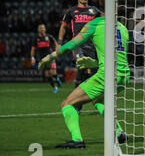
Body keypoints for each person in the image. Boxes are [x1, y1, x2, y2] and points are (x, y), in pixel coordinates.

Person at [38, 16, 130, 148]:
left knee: (67, 104)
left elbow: (71, 45)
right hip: (124, 76)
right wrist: (94, 63)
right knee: (97, 101)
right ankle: (119, 132)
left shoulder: (95, 23)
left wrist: (50, 57)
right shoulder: (122, 27)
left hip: (106, 76)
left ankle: (77, 140)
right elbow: (117, 58)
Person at [57, 0, 103, 111]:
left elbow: (105, 22)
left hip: (92, 46)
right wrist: (59, 43)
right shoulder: (72, 11)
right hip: (77, 45)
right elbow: (63, 27)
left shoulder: (94, 11)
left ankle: (78, 102)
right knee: (83, 65)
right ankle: (86, 101)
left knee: (84, 74)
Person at [31, 24, 62, 93]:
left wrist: (57, 51)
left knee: (53, 72)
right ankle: (55, 87)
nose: (42, 29)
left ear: (45, 29)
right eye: (40, 28)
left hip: (50, 57)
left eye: (43, 28)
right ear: (38, 30)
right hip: (42, 59)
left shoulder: (49, 37)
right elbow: (33, 49)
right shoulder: (36, 39)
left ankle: (57, 79)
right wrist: (32, 58)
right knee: (47, 74)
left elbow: (56, 44)